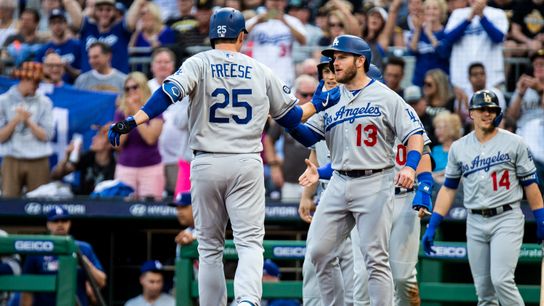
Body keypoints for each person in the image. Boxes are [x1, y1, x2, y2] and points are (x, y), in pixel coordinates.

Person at [107, 8, 337, 306]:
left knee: (209, 248)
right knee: (250, 243)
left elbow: (166, 93)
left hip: (206, 161)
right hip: (246, 161)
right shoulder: (260, 69)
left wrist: (132, 121)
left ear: (212, 35)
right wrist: (318, 105)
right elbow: (292, 118)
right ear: (242, 36)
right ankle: (247, 301)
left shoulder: (198, 62)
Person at [286, 34, 424, 306]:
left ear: (360, 61)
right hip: (338, 181)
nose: (335, 63)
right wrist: (287, 118)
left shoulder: (386, 97)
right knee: (318, 252)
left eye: (341, 57)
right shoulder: (332, 98)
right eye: (334, 58)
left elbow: (415, 134)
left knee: (375, 259)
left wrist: (410, 166)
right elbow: (307, 136)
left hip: (374, 180)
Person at [421, 89, 544, 305]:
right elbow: (449, 188)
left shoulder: (515, 143)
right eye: (481, 109)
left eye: (491, 109)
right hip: (475, 220)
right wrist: (433, 224)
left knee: (502, 280)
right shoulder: (459, 147)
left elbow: (530, 185)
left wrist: (541, 218)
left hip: (506, 217)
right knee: (484, 292)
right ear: (471, 113)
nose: (487, 113)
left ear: (497, 113)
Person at [298, 56, 354, 306]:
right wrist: (306, 196)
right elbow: (314, 153)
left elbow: (349, 163)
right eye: (325, 72)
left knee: (353, 269)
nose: (330, 77)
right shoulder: (320, 108)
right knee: (315, 260)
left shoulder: (354, 106)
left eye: (333, 70)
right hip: (326, 195)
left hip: (355, 195)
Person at [21, 206, 107, 306]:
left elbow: (101, 281)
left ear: (69, 223)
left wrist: (84, 261)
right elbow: (27, 290)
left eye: (64, 220)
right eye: (55, 221)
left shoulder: (83, 248)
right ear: (48, 224)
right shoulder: (38, 249)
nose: (60, 224)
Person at [0, 62, 54, 197]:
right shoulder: (3, 100)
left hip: (38, 159)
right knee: (10, 203)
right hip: (12, 159)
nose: (37, 86)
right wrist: (15, 120)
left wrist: (28, 121)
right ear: (24, 79)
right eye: (35, 82)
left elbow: (47, 135)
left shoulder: (45, 102)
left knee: (38, 203)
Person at [114, 72, 165, 200]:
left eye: (135, 87)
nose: (131, 91)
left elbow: (150, 138)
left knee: (150, 213)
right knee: (123, 212)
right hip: (126, 168)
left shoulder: (155, 109)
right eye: (127, 89)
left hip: (151, 168)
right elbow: (118, 143)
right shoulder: (121, 112)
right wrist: (128, 116)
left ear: (143, 87)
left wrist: (136, 115)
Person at [444, 0, 508, 92]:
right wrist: (467, 20)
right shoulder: (457, 14)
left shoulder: (498, 13)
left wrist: (482, 16)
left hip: (491, 76)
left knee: (491, 105)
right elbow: (449, 38)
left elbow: (498, 38)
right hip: (461, 76)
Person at [245, 0, 307, 87]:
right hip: (260, 72)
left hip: (283, 73)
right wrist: (257, 22)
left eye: (279, 1)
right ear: (266, 2)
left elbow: (303, 41)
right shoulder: (256, 20)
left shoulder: (292, 21)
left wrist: (285, 22)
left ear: (284, 3)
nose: (276, 3)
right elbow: (240, 37)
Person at [51, 124, 116, 195]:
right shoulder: (88, 156)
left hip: (104, 203)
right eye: (96, 135)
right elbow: (56, 176)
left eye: (100, 137)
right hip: (82, 202)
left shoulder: (116, 165)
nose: (94, 138)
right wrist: (66, 157)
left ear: (110, 144)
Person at [34, 9, 82, 84]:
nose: (57, 26)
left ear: (66, 24)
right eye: (54, 23)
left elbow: (84, 75)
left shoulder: (77, 46)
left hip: (71, 89)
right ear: (49, 26)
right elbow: (36, 75)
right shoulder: (43, 50)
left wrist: (68, 68)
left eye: (60, 22)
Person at [431, 112, 463, 184]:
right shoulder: (435, 150)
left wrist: (439, 175)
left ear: (450, 128)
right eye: (436, 128)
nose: (436, 131)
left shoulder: (459, 148)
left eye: (440, 128)